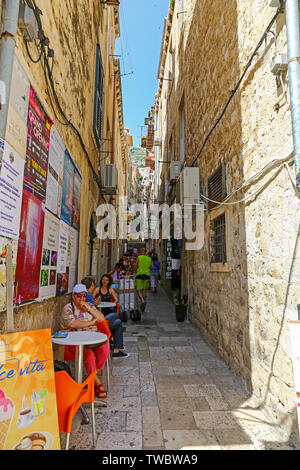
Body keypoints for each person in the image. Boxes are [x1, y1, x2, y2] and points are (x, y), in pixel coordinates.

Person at [59, 284, 109, 399]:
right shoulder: (68, 308)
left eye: (84, 295)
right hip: (75, 343)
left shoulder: (89, 305)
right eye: (79, 296)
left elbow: (101, 319)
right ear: (73, 296)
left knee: (104, 350)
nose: (82, 298)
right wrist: (91, 323)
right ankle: (96, 383)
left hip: (93, 340)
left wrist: (90, 309)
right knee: (89, 356)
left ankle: (91, 377)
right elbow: (73, 324)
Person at [94, 274, 129, 359]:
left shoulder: (110, 290)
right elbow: (92, 299)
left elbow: (116, 299)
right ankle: (114, 342)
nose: (104, 281)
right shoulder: (97, 289)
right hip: (100, 315)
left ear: (109, 281)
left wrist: (114, 302)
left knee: (116, 319)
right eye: (103, 279)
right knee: (116, 318)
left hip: (108, 312)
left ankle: (115, 346)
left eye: (106, 280)